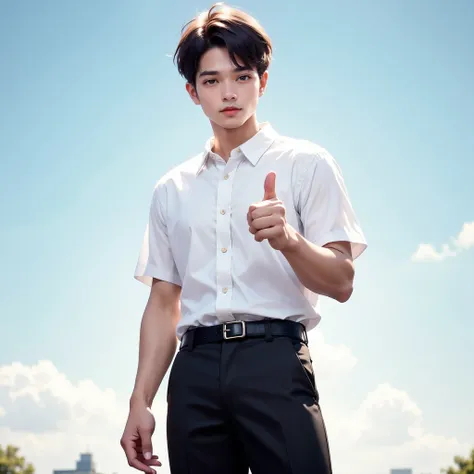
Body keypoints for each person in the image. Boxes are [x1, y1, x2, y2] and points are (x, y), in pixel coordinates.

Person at [120, 3, 367, 473]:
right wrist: (140, 400)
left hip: (274, 361)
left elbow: (342, 282)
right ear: (193, 93)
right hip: (193, 373)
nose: (228, 93)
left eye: (242, 76)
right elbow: (163, 301)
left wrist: (289, 240)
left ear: (263, 81)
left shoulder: (307, 163)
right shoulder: (171, 188)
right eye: (211, 81)